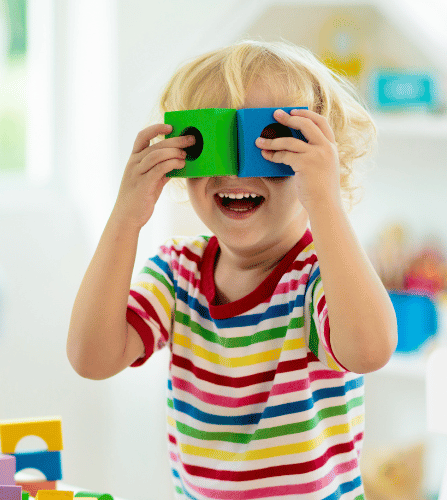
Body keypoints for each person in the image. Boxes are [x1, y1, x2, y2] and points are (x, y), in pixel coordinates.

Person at [66, 40, 397, 500]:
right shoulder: (177, 273)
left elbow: (370, 350)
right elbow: (92, 357)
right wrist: (126, 218)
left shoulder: (319, 278)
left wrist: (323, 201)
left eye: (271, 145)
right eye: (212, 142)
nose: (237, 170)